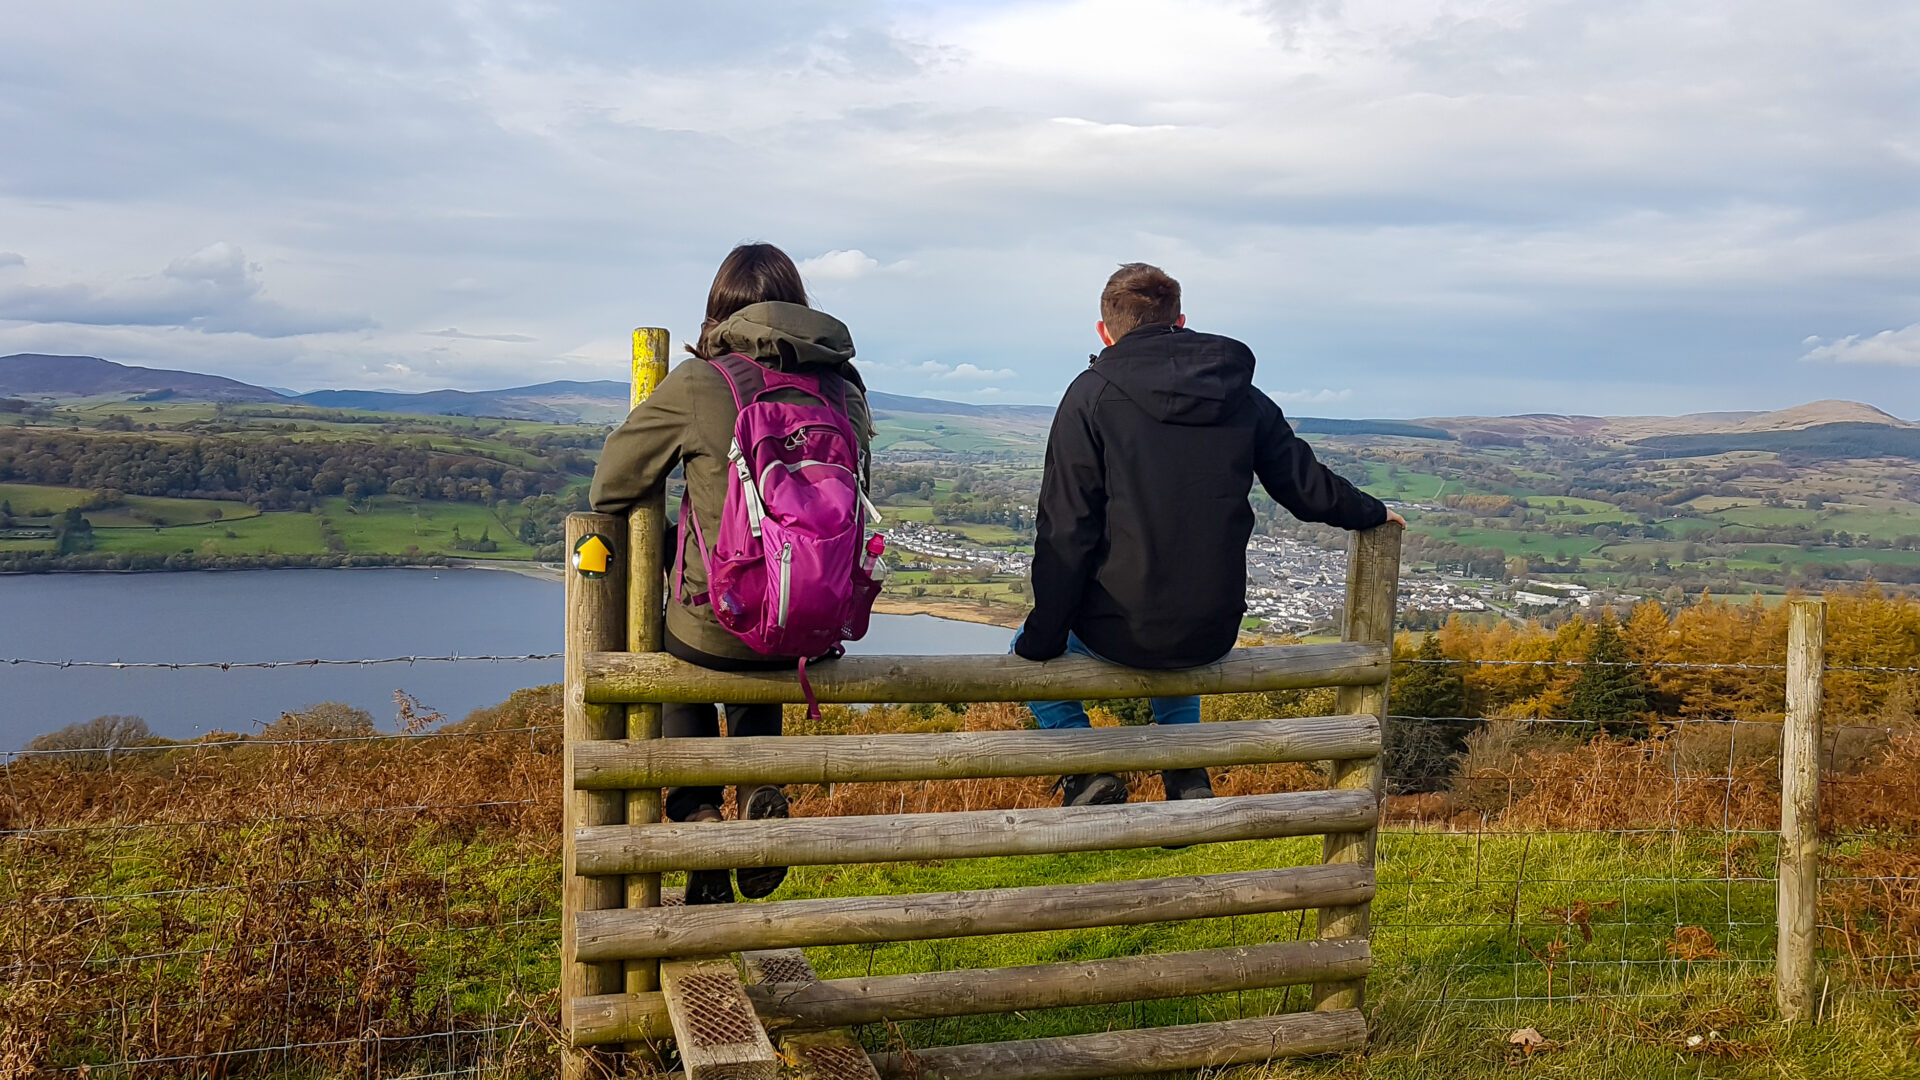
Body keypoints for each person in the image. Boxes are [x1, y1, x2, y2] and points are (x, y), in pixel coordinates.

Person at [1012, 263, 1405, 806]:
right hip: (1211, 629)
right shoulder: (1239, 394)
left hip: (1116, 630)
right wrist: (1372, 512)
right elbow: (1306, 487)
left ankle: (1085, 768)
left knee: (1022, 649)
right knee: (1181, 644)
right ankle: (1187, 771)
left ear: (1105, 331)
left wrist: (1044, 637)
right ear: (1181, 320)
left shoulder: (1090, 395)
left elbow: (1066, 526)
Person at [590, 243, 873, 904]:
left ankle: (699, 816)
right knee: (767, 646)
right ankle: (757, 791)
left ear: (718, 312)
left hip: (713, 631)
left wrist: (666, 541)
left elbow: (612, 483)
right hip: (813, 623)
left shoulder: (701, 383)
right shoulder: (844, 389)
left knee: (689, 654)